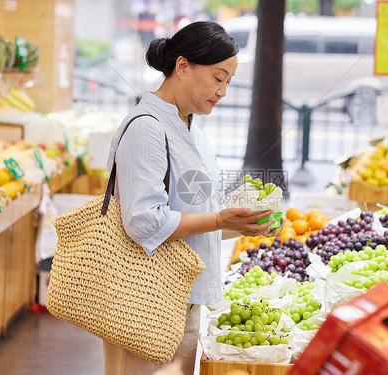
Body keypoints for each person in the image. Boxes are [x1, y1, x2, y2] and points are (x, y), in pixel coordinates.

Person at [103, 21, 280, 375]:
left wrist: (241, 223)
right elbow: (144, 221)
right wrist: (220, 220)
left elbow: (192, 214)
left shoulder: (188, 128)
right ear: (183, 67)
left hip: (183, 296)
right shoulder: (147, 128)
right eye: (218, 78)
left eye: (229, 81)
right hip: (144, 302)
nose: (224, 91)